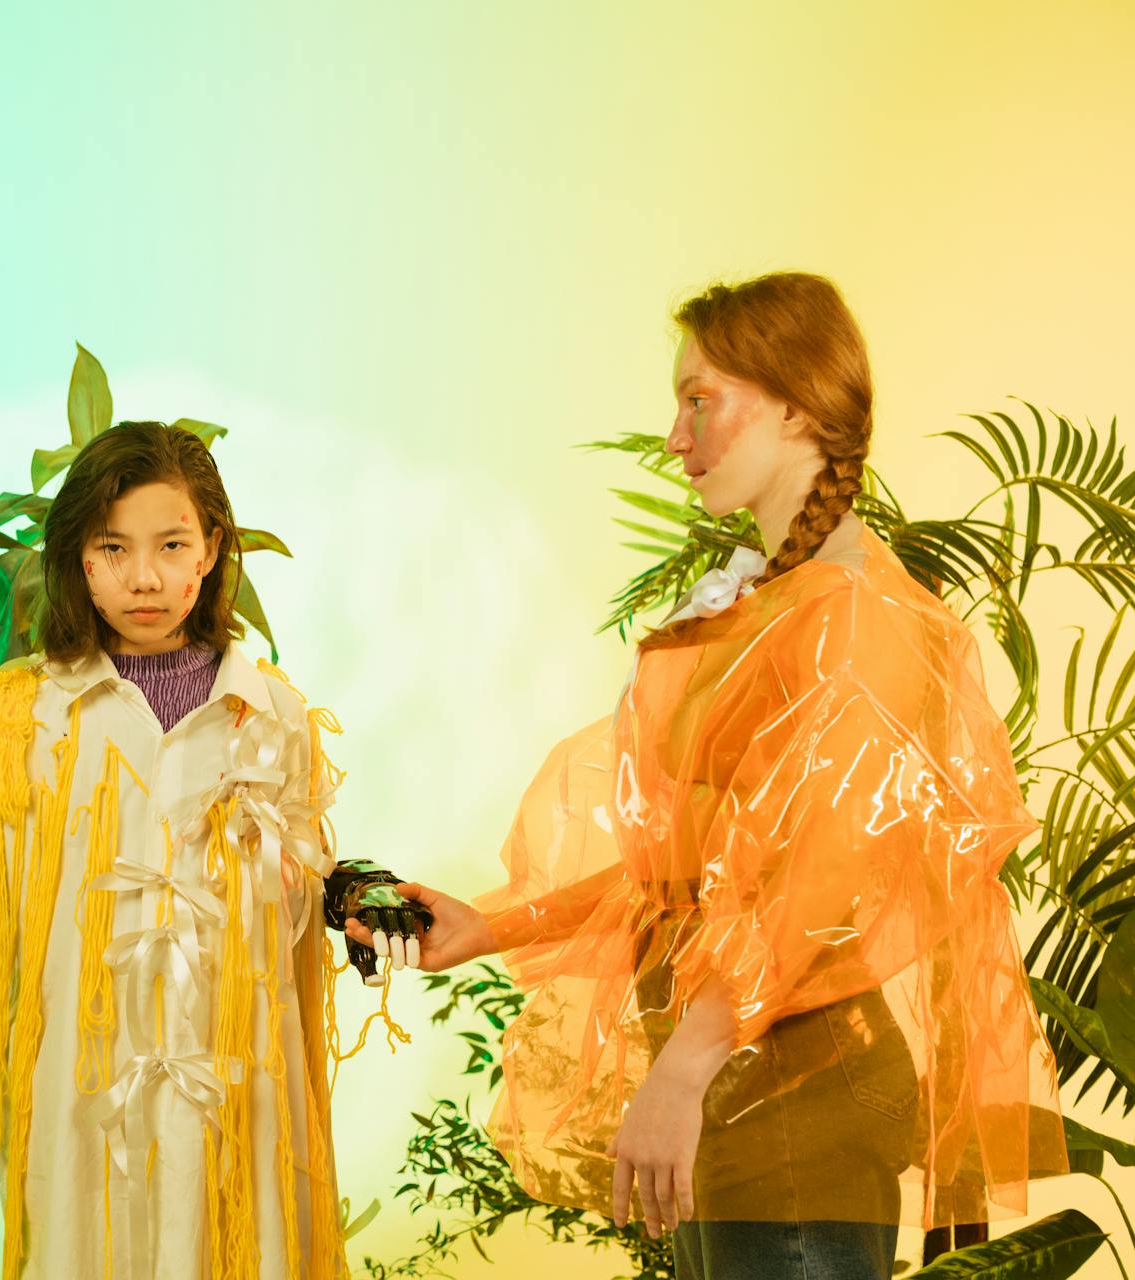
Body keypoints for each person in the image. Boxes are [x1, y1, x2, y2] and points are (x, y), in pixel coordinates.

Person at [355, 273, 1068, 1279]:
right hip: (740, 1093)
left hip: (792, 1098)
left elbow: (815, 884)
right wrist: (493, 924)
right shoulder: (778, 602)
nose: (676, 438)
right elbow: (704, 877)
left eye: (701, 400)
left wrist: (684, 1067)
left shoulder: (860, 618)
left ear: (795, 404)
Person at [0, 421, 393, 1279]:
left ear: (211, 549)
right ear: (80, 559)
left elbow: (305, 871)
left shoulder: (272, 714)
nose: (146, 576)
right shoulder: (29, 712)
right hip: (84, 1089)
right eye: (114, 547)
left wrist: (360, 899)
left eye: (172, 544)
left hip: (238, 1087)